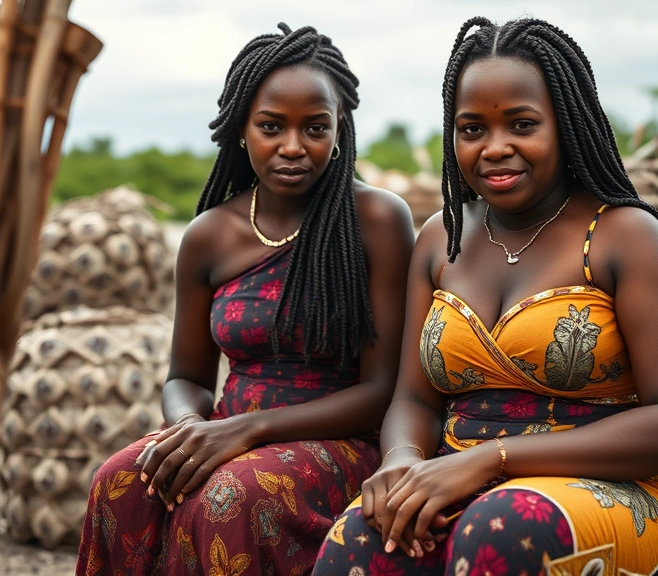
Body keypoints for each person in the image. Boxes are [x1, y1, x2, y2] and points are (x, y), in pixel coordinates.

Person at [313, 17, 658, 576]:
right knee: (357, 541)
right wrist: (404, 461)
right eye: (472, 128)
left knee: (501, 530)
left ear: (567, 125)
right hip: (462, 475)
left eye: (522, 124)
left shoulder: (624, 235)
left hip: (630, 489)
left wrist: (492, 460)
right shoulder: (440, 238)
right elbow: (413, 399)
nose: (495, 148)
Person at [76, 23, 414, 576]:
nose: (292, 147)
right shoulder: (210, 233)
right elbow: (185, 375)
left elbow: (382, 391)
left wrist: (245, 432)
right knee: (121, 480)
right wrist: (188, 426)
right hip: (224, 430)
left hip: (340, 439)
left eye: (314, 128)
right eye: (271, 126)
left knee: (229, 497)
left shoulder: (377, 220)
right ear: (241, 129)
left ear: (339, 129)